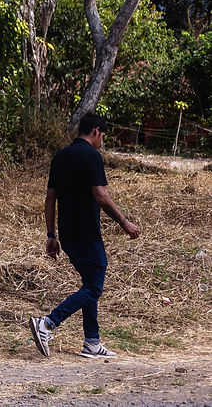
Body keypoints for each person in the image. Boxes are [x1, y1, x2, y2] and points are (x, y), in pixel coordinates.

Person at [29, 113, 140, 359]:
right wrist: (124, 222)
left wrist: (51, 234)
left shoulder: (60, 156)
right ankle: (47, 323)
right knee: (94, 287)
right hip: (87, 233)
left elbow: (50, 199)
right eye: (103, 136)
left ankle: (92, 342)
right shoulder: (91, 156)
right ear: (96, 131)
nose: (102, 142)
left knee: (90, 283)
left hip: (67, 233)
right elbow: (101, 195)